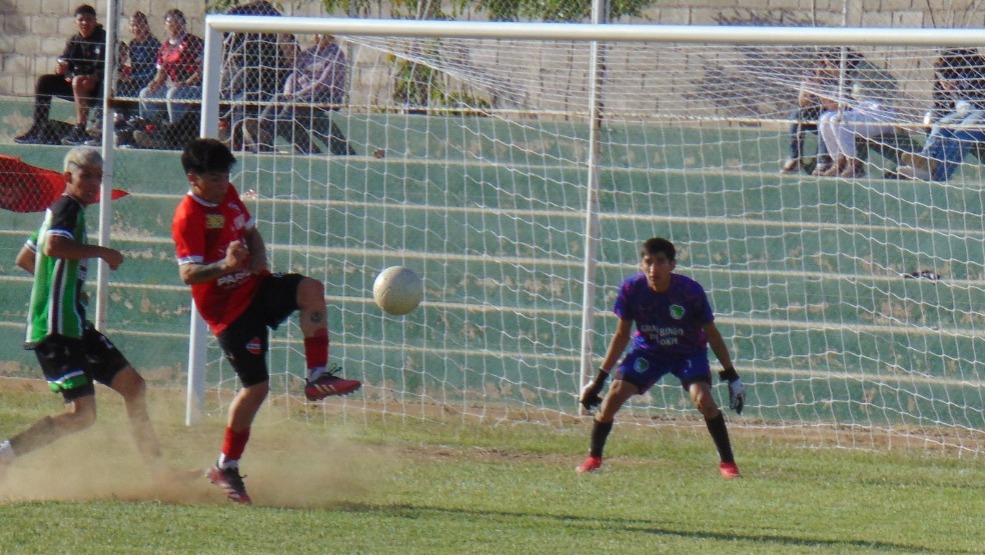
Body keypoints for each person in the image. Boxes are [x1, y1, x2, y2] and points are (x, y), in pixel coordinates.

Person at [171, 138, 362, 505]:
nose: (223, 183)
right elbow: (188, 274)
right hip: (229, 312)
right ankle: (225, 466)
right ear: (193, 178)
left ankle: (317, 377)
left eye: (226, 176)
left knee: (311, 289)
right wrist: (226, 265)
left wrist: (258, 255)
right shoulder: (188, 216)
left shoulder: (227, 194)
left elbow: (250, 232)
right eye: (215, 178)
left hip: (255, 287)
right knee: (256, 389)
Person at [0, 147, 180, 483]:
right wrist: (103, 252)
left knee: (134, 387)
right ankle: (5, 454)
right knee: (82, 415)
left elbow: (26, 256)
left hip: (75, 325)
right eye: (86, 176)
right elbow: (53, 247)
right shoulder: (66, 207)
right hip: (57, 329)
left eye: (98, 177)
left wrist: (64, 285)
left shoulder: (61, 211)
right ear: (68, 177)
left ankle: (160, 472)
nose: (94, 183)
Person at [576, 237, 746, 478]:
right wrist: (599, 380)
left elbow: (712, 333)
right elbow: (622, 334)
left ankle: (728, 464)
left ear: (672, 265)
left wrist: (732, 375)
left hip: (687, 352)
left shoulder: (690, 291)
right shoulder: (631, 289)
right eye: (648, 262)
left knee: (704, 401)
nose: (653, 268)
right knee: (613, 397)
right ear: (641, 264)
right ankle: (594, 458)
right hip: (649, 352)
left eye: (660, 262)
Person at [243, 34, 355, 155]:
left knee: (291, 108)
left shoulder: (335, 54)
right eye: (317, 33)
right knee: (278, 98)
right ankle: (260, 127)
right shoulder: (308, 53)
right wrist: (288, 91)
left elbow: (324, 81)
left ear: (329, 36)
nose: (319, 36)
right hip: (301, 95)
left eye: (323, 33)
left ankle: (266, 135)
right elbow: (294, 74)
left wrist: (299, 93)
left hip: (324, 94)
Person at [13, 4, 106, 146]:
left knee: (78, 81)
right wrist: (62, 68)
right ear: (75, 22)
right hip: (75, 82)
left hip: (96, 86)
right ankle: (38, 128)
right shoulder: (74, 40)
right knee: (45, 81)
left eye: (88, 19)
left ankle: (81, 128)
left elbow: (105, 67)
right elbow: (65, 60)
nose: (84, 23)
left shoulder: (103, 39)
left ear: (95, 21)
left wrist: (93, 77)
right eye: (81, 20)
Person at [894, 49, 985, 181]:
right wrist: (948, 94)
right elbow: (941, 107)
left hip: (978, 121)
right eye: (942, 79)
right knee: (942, 127)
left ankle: (938, 176)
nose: (944, 82)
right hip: (962, 118)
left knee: (963, 133)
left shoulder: (978, 72)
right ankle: (925, 161)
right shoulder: (943, 77)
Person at [813, 49, 899, 178]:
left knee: (838, 121)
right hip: (862, 114)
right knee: (824, 118)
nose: (828, 70)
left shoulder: (863, 71)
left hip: (879, 116)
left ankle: (854, 164)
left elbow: (891, 82)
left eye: (829, 65)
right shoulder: (848, 77)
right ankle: (838, 161)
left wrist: (884, 100)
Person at [137, 9, 203, 127]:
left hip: (194, 86)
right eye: (170, 23)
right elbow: (161, 73)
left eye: (177, 22)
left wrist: (186, 83)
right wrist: (155, 83)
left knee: (173, 94)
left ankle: (174, 129)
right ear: (165, 26)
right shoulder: (165, 47)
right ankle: (151, 128)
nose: (173, 26)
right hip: (174, 85)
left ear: (183, 24)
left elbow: (201, 71)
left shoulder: (194, 42)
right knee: (145, 93)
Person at [780, 57, 833, 175]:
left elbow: (831, 106)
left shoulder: (836, 78)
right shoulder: (810, 74)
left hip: (833, 116)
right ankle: (795, 158)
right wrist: (806, 89)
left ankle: (823, 161)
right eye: (819, 63)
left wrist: (819, 86)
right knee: (796, 115)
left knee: (826, 119)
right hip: (815, 114)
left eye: (825, 64)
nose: (820, 67)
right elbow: (802, 103)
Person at [113, 11, 161, 119]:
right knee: (118, 84)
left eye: (139, 24)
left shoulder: (154, 44)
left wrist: (132, 77)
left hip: (148, 80)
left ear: (146, 26)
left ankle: (136, 118)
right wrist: (123, 75)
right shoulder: (133, 44)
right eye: (133, 25)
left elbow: (153, 71)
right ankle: (119, 115)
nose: (136, 28)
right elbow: (133, 67)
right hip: (134, 80)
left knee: (136, 90)